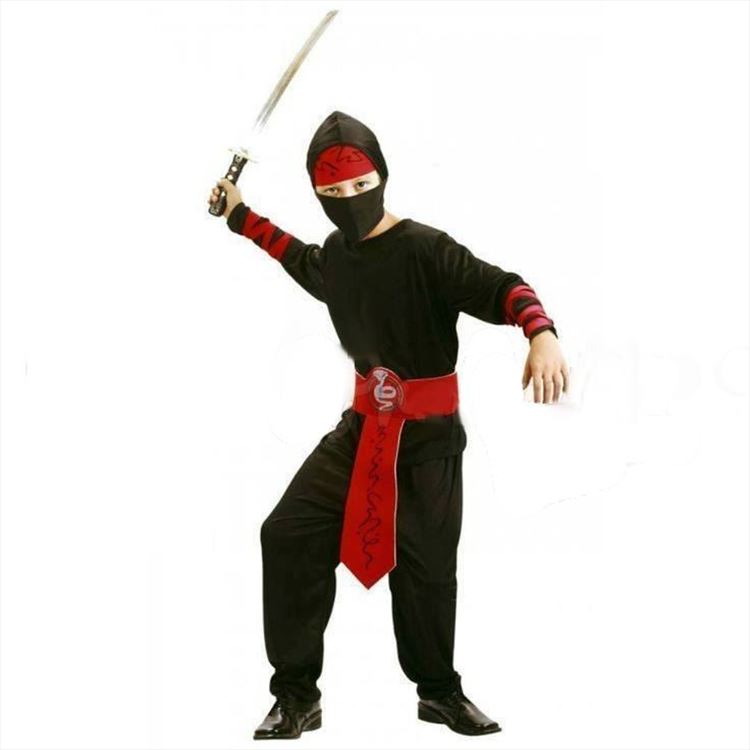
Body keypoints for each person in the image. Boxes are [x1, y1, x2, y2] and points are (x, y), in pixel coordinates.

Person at [207, 110, 569, 739]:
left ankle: (439, 692)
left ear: (382, 176)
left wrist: (541, 333)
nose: (349, 198)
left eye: (360, 183)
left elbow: (502, 287)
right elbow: (295, 256)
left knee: (426, 570)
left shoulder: (427, 249)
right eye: (333, 190)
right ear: (317, 192)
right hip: (361, 431)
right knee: (287, 534)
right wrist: (239, 214)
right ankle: (296, 695)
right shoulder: (337, 258)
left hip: (428, 441)